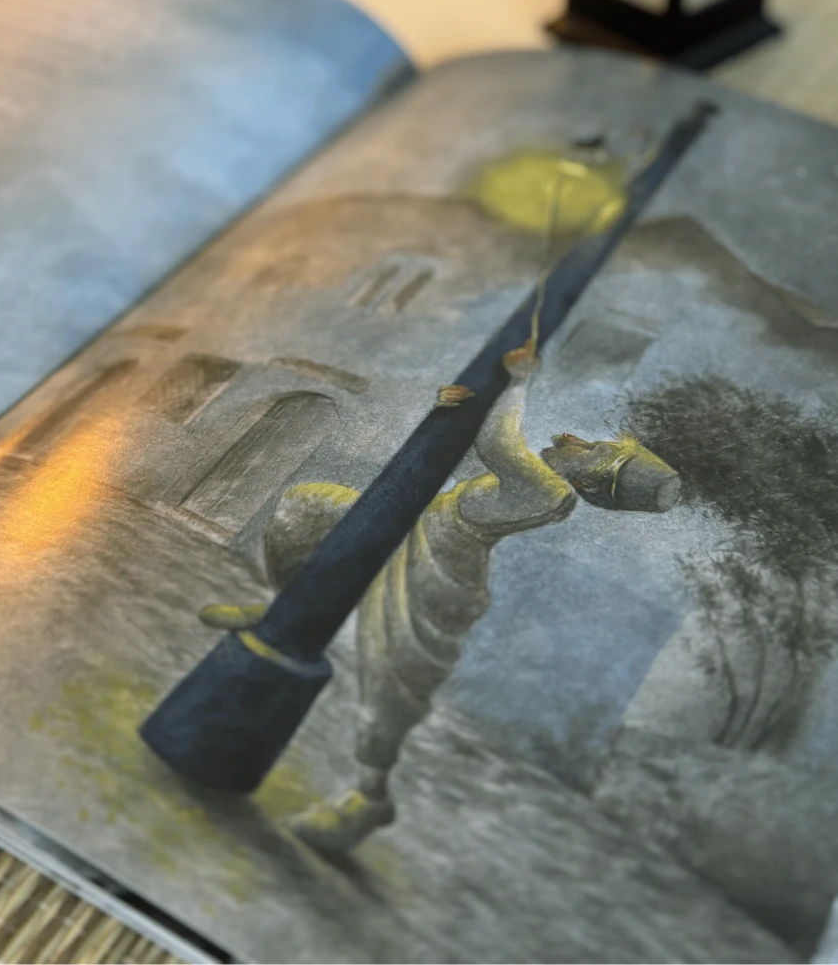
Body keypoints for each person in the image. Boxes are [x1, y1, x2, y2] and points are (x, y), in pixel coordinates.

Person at [200, 346, 680, 854]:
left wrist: (517, 384)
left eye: (590, 449)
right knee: (305, 507)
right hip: (408, 530)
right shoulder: (541, 479)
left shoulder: (548, 490)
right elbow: (470, 447)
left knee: (389, 681)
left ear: (588, 481)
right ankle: (285, 611)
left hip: (435, 580)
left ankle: (369, 796)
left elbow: (496, 442)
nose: (570, 438)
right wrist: (449, 411)